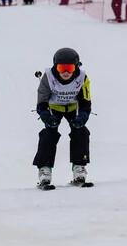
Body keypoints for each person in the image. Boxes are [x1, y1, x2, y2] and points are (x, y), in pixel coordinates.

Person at [33, 47, 92, 188]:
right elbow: (41, 103)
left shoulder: (82, 78)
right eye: (61, 68)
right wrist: (47, 117)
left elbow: (85, 102)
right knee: (49, 134)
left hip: (72, 108)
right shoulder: (48, 77)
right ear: (55, 67)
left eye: (70, 68)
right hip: (54, 109)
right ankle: (44, 169)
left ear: (76, 67)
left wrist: (82, 118)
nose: (65, 72)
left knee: (81, 131)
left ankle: (79, 167)